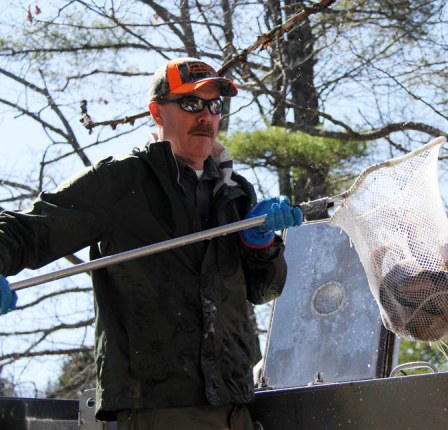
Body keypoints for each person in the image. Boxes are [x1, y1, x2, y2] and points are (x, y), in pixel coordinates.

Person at [0, 57, 302, 429]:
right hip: (157, 408)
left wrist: (261, 244)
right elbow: (26, 230)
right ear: (157, 113)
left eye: (215, 106)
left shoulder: (237, 194)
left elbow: (264, 289)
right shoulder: (120, 180)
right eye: (192, 104)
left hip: (236, 407)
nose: (206, 116)